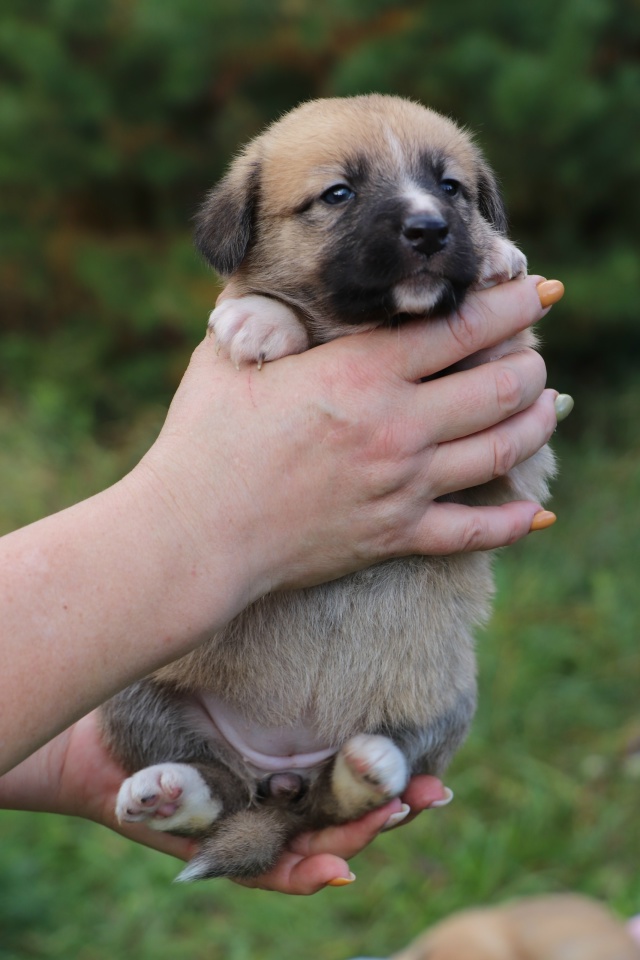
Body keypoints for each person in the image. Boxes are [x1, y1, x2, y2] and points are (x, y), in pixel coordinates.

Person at [0, 277, 565, 894]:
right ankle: (212, 786)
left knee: (445, 701)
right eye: (336, 197)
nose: (420, 218)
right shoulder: (269, 306)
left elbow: (511, 475)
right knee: (133, 697)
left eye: (454, 190)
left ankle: (336, 789)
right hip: (210, 710)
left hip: (384, 701)